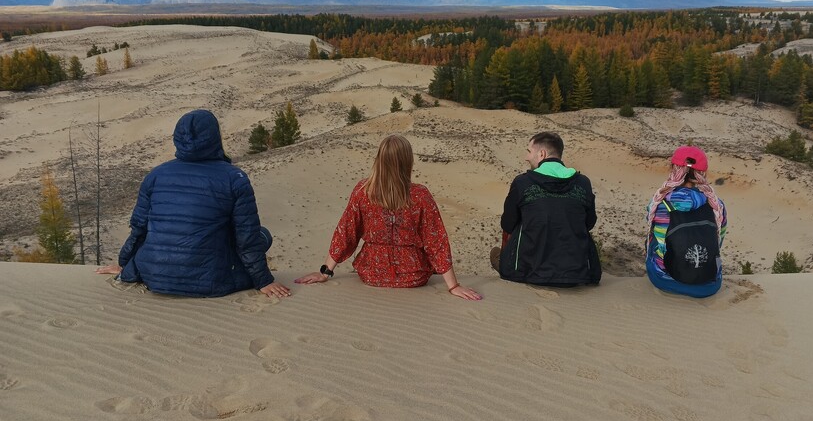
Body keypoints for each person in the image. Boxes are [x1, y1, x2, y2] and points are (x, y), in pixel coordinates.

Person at [95, 109, 290, 299]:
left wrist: (125, 265)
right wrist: (263, 281)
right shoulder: (234, 178)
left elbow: (139, 229)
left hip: (155, 275)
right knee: (263, 235)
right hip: (212, 281)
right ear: (215, 138)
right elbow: (246, 238)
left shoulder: (155, 175)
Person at [294, 134, 481, 300]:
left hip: (371, 274)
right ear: (408, 162)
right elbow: (436, 241)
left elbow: (346, 233)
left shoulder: (362, 191)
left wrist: (325, 272)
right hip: (413, 276)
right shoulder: (420, 195)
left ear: (379, 160)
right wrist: (453, 286)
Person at [492, 131, 600, 287]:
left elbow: (507, 224)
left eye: (529, 151)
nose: (526, 157)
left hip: (530, 273)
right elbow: (589, 223)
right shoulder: (583, 183)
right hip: (578, 273)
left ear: (541, 154)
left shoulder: (523, 182)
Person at [645, 145, 727, 298]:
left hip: (666, 281)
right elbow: (718, 240)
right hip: (710, 284)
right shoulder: (717, 204)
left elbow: (657, 242)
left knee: (654, 240)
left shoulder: (660, 204)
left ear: (673, 168)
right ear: (702, 173)